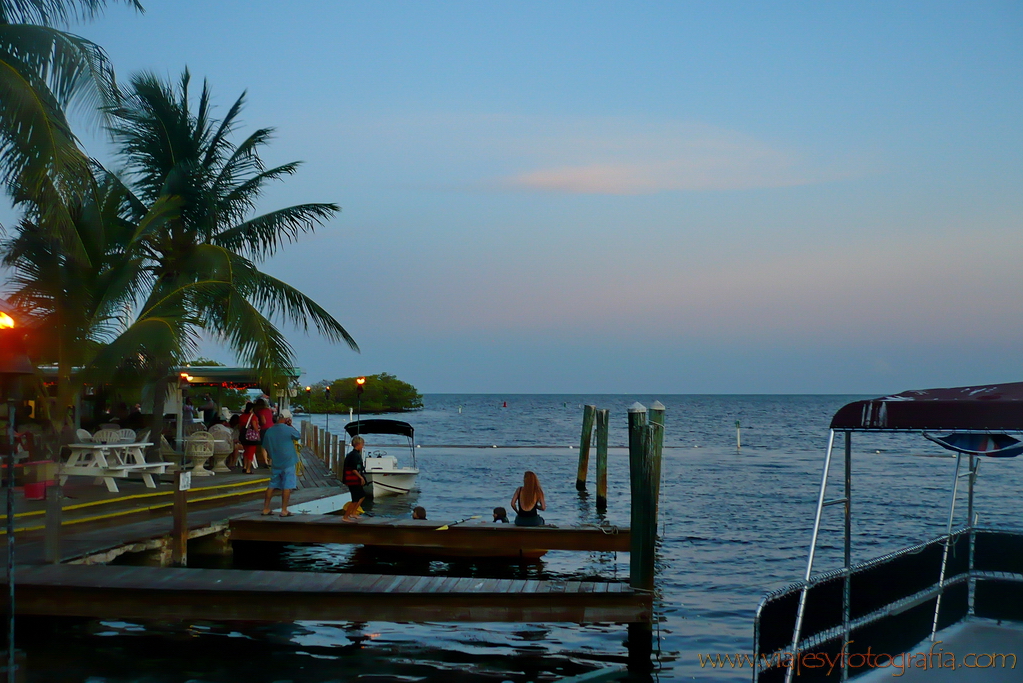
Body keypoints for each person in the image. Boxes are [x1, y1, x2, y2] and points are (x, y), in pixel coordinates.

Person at [260, 412, 302, 517]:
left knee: (272, 485)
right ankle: (284, 510)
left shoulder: (269, 431)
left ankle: (265, 508)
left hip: (276, 462)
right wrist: (290, 425)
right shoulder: (288, 429)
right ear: (286, 419)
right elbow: (298, 436)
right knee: (287, 486)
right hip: (288, 461)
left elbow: (265, 446)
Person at [342, 435, 367, 502]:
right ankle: (351, 512)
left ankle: (353, 511)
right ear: (358, 444)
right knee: (357, 498)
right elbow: (353, 469)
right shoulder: (354, 455)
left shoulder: (353, 454)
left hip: (353, 480)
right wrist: (361, 477)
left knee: (361, 496)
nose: (363, 446)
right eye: (362, 444)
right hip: (353, 480)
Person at [239, 402, 261, 474]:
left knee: (245, 452)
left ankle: (244, 466)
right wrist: (258, 431)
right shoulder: (253, 416)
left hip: (243, 436)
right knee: (250, 452)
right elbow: (254, 427)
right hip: (251, 437)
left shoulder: (242, 416)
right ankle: (248, 469)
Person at [254, 398, 275, 467]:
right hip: (272, 428)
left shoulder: (260, 411)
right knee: (271, 445)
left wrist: (258, 423)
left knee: (263, 446)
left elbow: (263, 422)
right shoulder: (268, 410)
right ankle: (271, 460)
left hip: (265, 429)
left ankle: (265, 461)